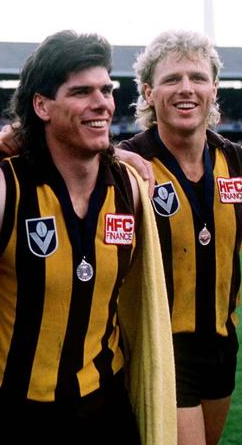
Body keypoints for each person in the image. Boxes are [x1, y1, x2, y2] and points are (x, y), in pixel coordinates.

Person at [0, 30, 176, 443]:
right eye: (81, 92)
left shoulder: (130, 189)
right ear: (42, 105)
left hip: (105, 407)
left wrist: (116, 151)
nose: (102, 102)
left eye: (107, 89)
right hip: (13, 415)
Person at [119, 30, 241, 445]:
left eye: (197, 77)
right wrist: (107, 153)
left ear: (213, 88)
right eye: (172, 79)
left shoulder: (234, 160)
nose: (186, 88)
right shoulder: (128, 164)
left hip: (222, 344)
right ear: (149, 93)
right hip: (161, 346)